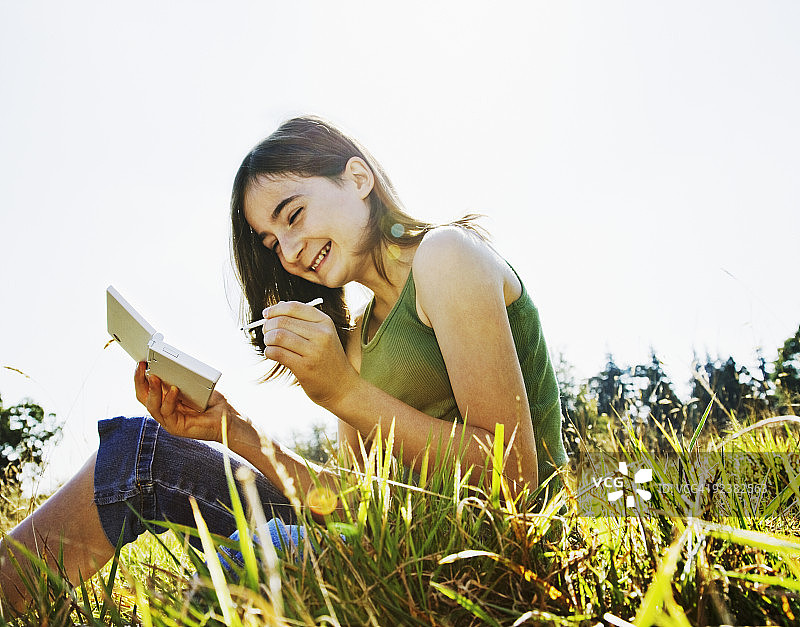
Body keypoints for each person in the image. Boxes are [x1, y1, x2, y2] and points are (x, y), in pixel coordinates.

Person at [0, 116, 568, 613]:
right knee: (135, 454)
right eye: (272, 243)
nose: (290, 252)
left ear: (358, 178)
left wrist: (343, 393)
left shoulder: (445, 256)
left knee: (227, 576)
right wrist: (233, 430)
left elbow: (515, 476)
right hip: (395, 548)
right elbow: (350, 509)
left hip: (487, 557)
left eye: (293, 215)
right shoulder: (356, 341)